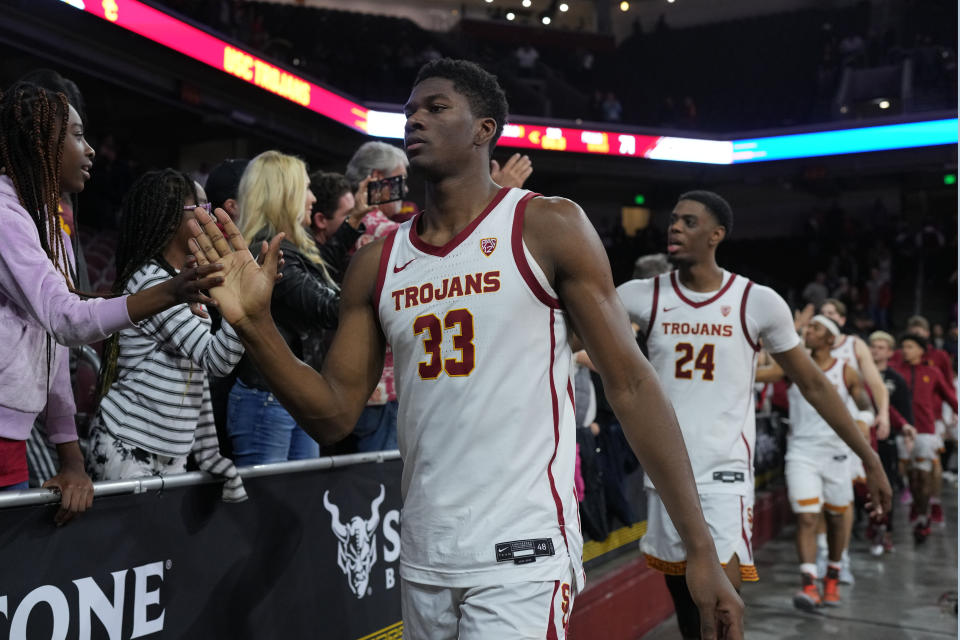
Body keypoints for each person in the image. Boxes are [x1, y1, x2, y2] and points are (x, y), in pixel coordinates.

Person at [187, 58, 743, 640]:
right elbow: (332, 415)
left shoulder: (546, 226)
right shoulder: (377, 262)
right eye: (408, 112)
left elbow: (629, 384)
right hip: (424, 556)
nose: (414, 120)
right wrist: (254, 323)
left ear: (485, 130)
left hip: (523, 556)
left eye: (436, 107)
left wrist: (699, 548)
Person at [615, 190, 890, 640]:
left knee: (723, 606)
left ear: (716, 235)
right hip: (664, 472)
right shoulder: (639, 296)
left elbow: (814, 384)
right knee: (686, 605)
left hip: (723, 472)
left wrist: (870, 458)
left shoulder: (756, 301)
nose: (675, 228)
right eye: (674, 220)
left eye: (689, 222)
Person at [0, 82, 221, 524]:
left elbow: (55, 346)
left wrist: (72, 460)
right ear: (42, 142)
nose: (92, 150)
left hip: (12, 441)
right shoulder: (5, 214)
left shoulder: (46, 224)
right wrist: (170, 293)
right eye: (78, 135)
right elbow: (66, 321)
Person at [89, 170, 246, 501]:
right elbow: (216, 360)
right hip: (128, 447)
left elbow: (198, 375)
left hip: (168, 452)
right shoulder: (153, 283)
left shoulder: (179, 280)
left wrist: (209, 454)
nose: (210, 214)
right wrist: (243, 304)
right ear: (171, 217)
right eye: (200, 207)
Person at [227, 151, 339, 465]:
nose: (313, 198)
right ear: (285, 195)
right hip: (268, 400)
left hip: (288, 396)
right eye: (306, 188)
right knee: (265, 510)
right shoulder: (268, 251)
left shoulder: (286, 248)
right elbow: (328, 308)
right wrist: (379, 274)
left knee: (296, 505)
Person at [757, 315, 874, 609]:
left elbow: (864, 403)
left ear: (830, 340)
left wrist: (864, 420)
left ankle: (832, 575)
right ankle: (809, 585)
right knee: (807, 517)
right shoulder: (794, 366)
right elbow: (762, 375)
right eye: (808, 327)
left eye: (815, 328)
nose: (808, 331)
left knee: (836, 518)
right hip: (801, 452)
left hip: (836, 452)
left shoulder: (846, 371)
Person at [819, 297, 890, 582]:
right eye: (822, 313)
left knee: (842, 499)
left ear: (842, 320)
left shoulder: (854, 345)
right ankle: (823, 553)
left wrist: (882, 414)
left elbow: (875, 382)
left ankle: (841, 557)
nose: (826, 317)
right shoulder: (808, 345)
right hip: (813, 430)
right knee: (816, 500)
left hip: (848, 431)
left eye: (832, 313)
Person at [889, 333, 957, 543]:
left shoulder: (932, 372)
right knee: (909, 476)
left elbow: (950, 396)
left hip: (926, 430)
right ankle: (918, 508)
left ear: (921, 350)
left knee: (923, 476)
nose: (905, 350)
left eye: (910, 346)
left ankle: (923, 517)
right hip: (901, 431)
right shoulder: (895, 372)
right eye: (904, 346)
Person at [868, 330, 916, 555]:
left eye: (880, 347)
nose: (875, 350)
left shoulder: (895, 379)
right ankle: (868, 524)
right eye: (872, 346)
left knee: (884, 484)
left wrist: (907, 428)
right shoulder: (861, 375)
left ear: (889, 352)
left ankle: (885, 530)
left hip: (884, 440)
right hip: (858, 437)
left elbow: (902, 409)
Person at [308, 170, 372, 281]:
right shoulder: (305, 263)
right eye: (349, 214)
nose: (355, 218)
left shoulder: (342, 254)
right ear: (321, 220)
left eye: (355, 213)